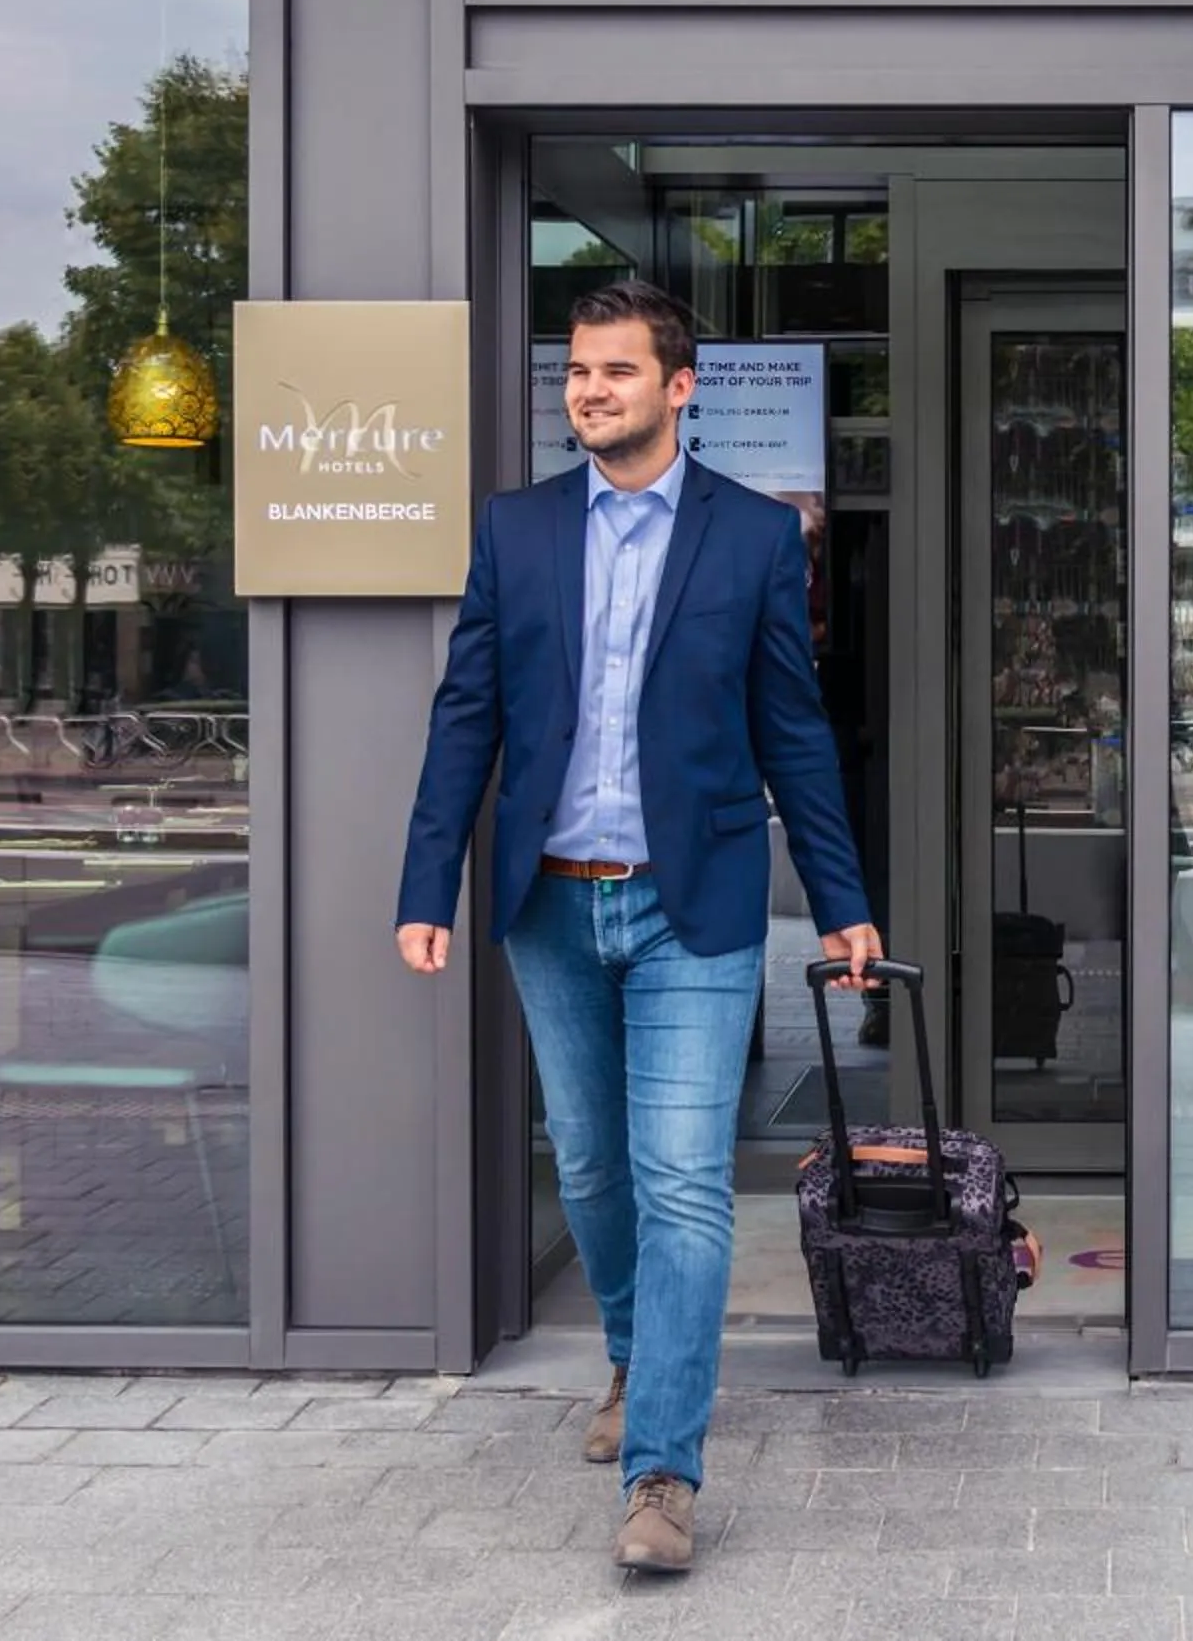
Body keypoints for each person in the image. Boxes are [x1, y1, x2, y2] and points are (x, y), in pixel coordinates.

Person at [395, 280, 881, 1575]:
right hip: (550, 902)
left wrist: (843, 906)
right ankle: (630, 1348)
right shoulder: (517, 531)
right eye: (577, 374)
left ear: (682, 387)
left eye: (616, 371)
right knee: (597, 1172)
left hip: (695, 905)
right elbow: (466, 718)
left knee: (680, 1180)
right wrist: (423, 883)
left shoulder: (754, 540)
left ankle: (662, 1466)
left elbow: (795, 732)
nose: (589, 391)